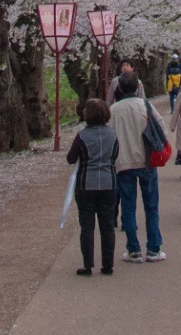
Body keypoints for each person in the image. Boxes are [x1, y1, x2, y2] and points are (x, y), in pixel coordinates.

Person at [109, 73, 167, 263]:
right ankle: (153, 249)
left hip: (122, 162)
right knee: (151, 205)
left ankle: (133, 249)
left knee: (128, 205)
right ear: (137, 87)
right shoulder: (145, 105)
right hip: (146, 161)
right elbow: (162, 129)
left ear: (119, 89)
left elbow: (108, 135)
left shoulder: (114, 109)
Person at [65, 98, 119, 276]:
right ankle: (108, 264)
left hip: (86, 183)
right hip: (109, 182)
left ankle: (88, 265)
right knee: (107, 225)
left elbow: (71, 158)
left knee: (87, 225)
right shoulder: (113, 135)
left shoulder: (82, 136)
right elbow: (115, 155)